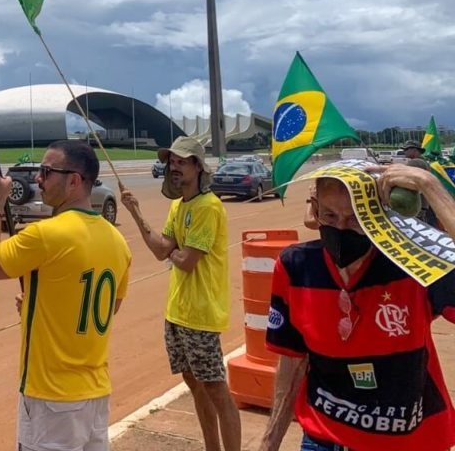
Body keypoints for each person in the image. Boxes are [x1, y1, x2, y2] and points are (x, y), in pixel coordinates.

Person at [259, 163, 455, 451]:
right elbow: (292, 360)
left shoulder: (414, 267)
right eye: (330, 215)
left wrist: (430, 186)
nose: (340, 228)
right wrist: (268, 444)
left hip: (407, 442)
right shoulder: (296, 267)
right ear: (314, 209)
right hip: (324, 438)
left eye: (354, 220)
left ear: (377, 216)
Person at [0, 140, 132, 451]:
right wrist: (42, 305)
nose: (38, 179)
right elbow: (109, 307)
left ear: (74, 180)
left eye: (46, 171)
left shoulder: (46, 235)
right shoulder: (118, 242)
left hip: (51, 397)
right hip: (95, 396)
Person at [120, 136, 241, 451]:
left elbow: (186, 261)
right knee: (194, 385)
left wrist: (174, 253)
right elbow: (163, 250)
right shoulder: (179, 205)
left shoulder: (208, 207)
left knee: (215, 388)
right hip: (177, 311)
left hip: (201, 313)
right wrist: (135, 212)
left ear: (198, 167)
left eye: (181, 161)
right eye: (171, 161)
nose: (173, 167)